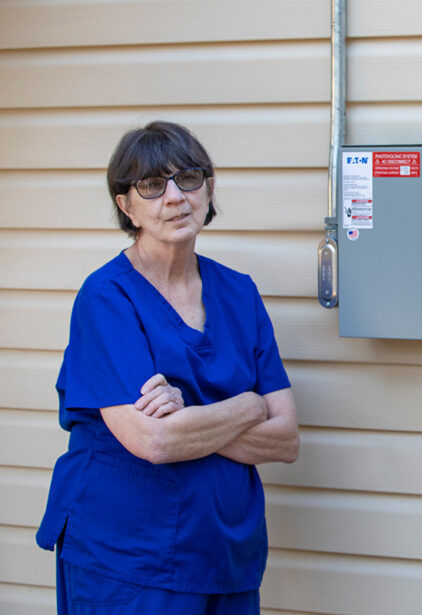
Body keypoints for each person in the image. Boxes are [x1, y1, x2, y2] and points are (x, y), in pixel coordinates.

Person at [36, 121, 300, 614]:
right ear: (126, 206)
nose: (175, 197)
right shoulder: (107, 298)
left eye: (190, 178)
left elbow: (285, 439)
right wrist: (248, 403)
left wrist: (189, 413)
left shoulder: (238, 292)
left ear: (209, 187)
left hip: (227, 554)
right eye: (152, 186)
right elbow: (155, 440)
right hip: (128, 559)